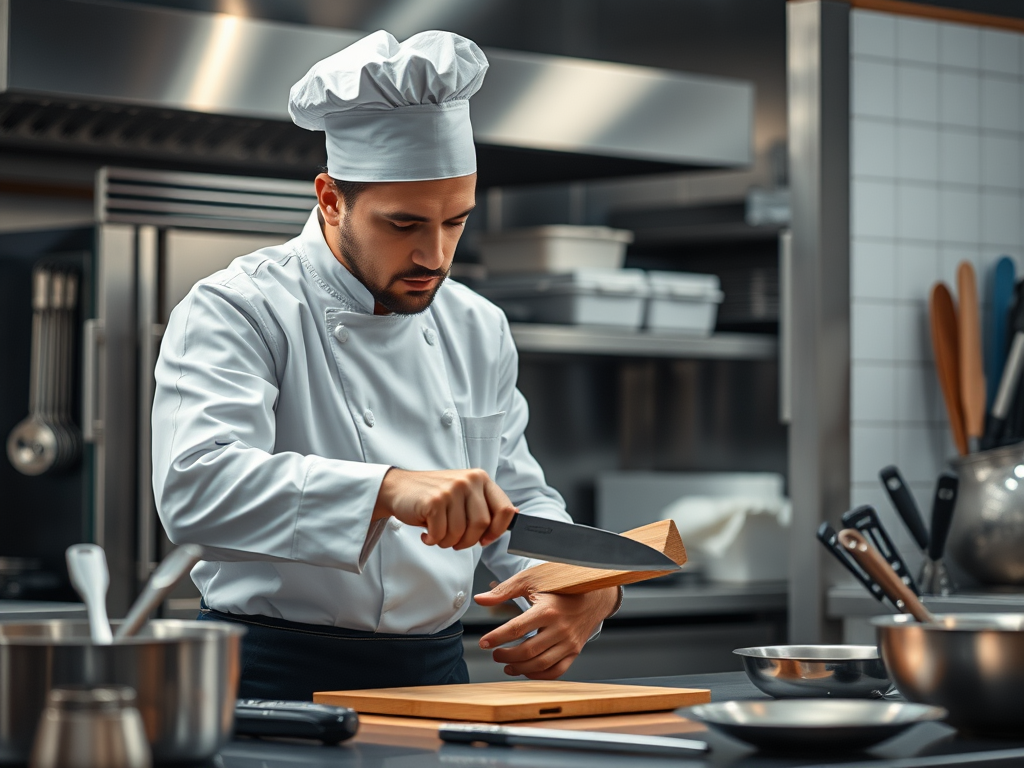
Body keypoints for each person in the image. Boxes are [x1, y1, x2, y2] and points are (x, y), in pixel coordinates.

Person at [151, 29, 620, 700]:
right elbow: (195, 489)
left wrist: (583, 586)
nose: (435, 254)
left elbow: (515, 500)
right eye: (404, 225)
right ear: (331, 199)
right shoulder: (240, 307)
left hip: (438, 677)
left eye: (455, 222)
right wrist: (390, 489)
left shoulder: (477, 326)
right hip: (274, 677)